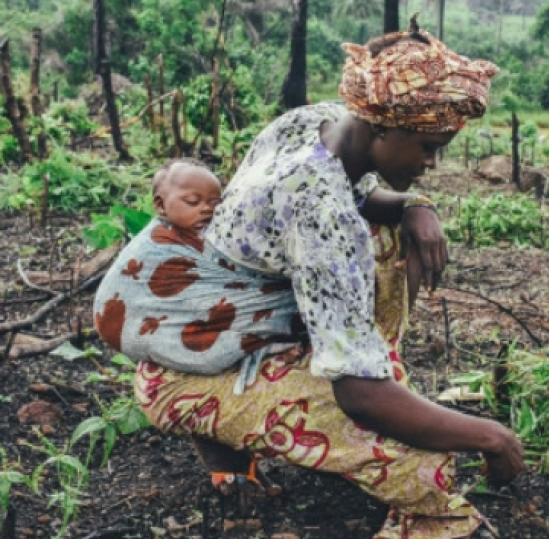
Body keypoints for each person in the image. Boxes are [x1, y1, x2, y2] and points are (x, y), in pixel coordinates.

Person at [94, 17, 524, 539]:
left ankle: (347, 369)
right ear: (382, 126)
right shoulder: (320, 209)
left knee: (388, 235)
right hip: (187, 369)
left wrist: (415, 204)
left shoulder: (318, 123)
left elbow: (362, 195)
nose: (433, 162)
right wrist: (489, 437)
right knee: (428, 468)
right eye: (428, 147)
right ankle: (220, 417)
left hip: (224, 323)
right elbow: (358, 395)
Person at [151, 158, 222, 236]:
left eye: (214, 203)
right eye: (193, 201)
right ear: (161, 205)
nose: (207, 208)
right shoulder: (158, 244)